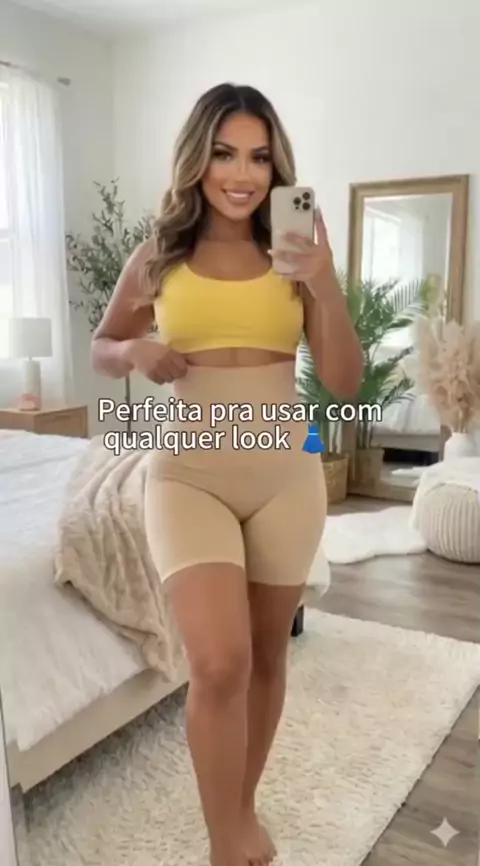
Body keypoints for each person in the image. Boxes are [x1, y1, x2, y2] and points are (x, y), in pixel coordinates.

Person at [91, 82, 363, 866]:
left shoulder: (299, 253)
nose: (242, 174)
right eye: (224, 154)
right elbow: (102, 347)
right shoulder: (158, 255)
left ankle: (239, 809)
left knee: (269, 655)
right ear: (197, 159)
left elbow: (344, 380)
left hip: (286, 476)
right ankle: (225, 844)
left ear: (276, 166)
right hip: (189, 474)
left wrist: (323, 282)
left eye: (258, 157)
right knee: (218, 663)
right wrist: (133, 350)